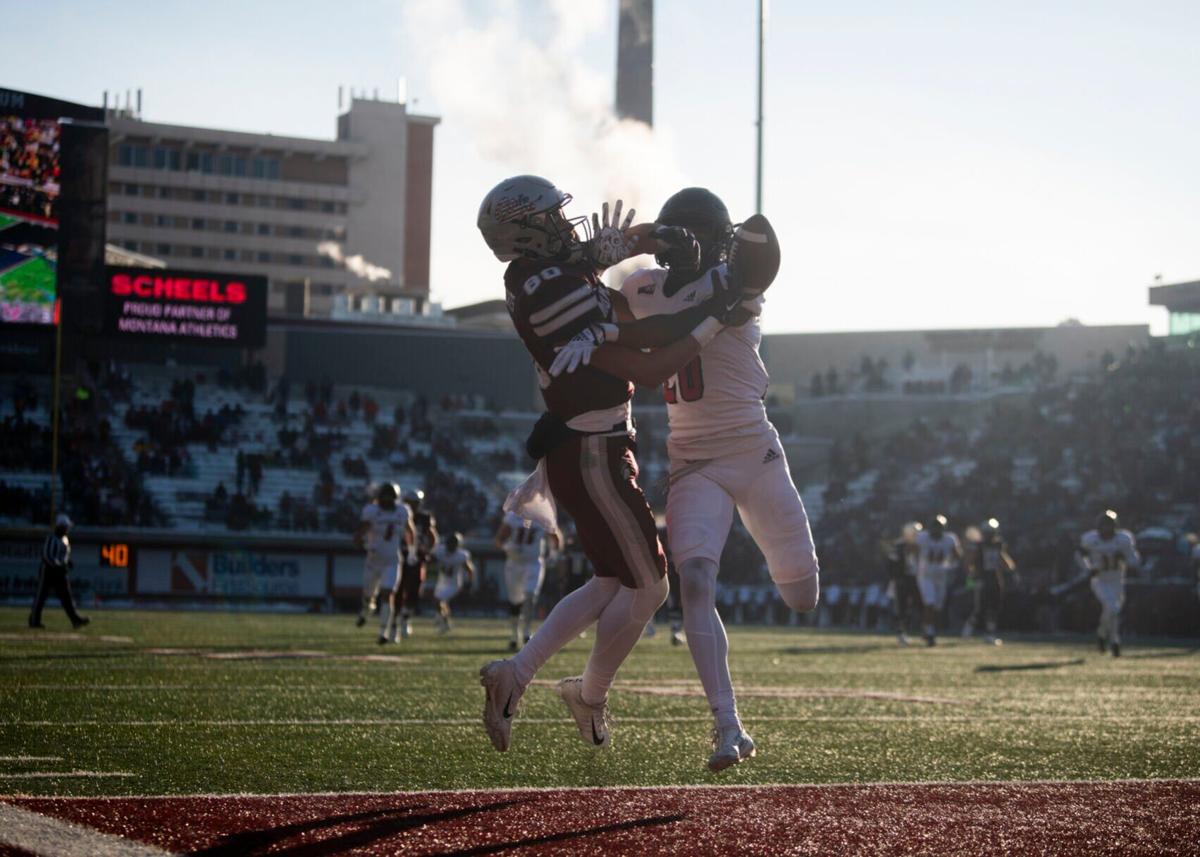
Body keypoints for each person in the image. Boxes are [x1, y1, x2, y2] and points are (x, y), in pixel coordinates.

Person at [475, 175, 746, 753]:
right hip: (592, 450)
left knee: (609, 579)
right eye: (548, 219)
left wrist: (650, 238)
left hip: (594, 444)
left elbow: (591, 258)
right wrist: (714, 313)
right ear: (525, 232)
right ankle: (585, 692)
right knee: (649, 587)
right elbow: (650, 359)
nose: (563, 225)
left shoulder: (546, 274)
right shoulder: (549, 290)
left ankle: (519, 676)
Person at [558, 186, 820, 771]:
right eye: (684, 238)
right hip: (692, 461)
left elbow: (672, 325)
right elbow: (613, 309)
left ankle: (725, 718)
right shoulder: (642, 286)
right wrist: (611, 248)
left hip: (754, 452)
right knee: (696, 580)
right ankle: (729, 727)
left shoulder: (738, 284)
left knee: (803, 595)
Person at [352, 483, 413, 644]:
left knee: (388, 594)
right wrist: (359, 541)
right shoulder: (372, 511)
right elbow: (361, 532)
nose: (387, 501)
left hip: (392, 560)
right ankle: (366, 610)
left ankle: (383, 631)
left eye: (390, 497)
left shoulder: (402, 511)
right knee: (368, 595)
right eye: (384, 497)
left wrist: (412, 550)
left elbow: (410, 530)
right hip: (374, 560)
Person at [1078, 509, 1140, 657]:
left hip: (1117, 580)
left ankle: (1101, 635)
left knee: (1113, 611)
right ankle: (1115, 642)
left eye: (1109, 525)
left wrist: (1125, 558)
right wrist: (1088, 568)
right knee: (1112, 608)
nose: (1107, 529)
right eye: (1104, 525)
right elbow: (1079, 555)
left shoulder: (1123, 539)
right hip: (1100, 580)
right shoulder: (1091, 539)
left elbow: (1135, 561)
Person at [495, 511, 558, 651]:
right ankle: (514, 635)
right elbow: (499, 539)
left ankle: (526, 632)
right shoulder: (512, 517)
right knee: (515, 602)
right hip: (514, 563)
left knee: (530, 596)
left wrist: (554, 553)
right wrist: (506, 547)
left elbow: (556, 537)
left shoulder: (543, 516)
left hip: (534, 563)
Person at [961, 518, 1018, 645]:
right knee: (980, 607)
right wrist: (971, 574)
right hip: (983, 578)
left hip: (995, 578)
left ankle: (990, 633)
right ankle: (968, 629)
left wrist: (1010, 568)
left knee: (994, 607)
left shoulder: (997, 545)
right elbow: (970, 562)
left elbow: (1005, 562)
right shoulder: (979, 546)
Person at [29, 514, 89, 630]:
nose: (67, 528)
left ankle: (75, 619)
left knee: (67, 597)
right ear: (60, 526)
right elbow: (47, 556)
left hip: (60, 573)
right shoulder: (51, 538)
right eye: (66, 526)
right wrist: (58, 565)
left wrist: (67, 562)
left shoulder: (65, 539)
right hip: (48, 571)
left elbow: (63, 556)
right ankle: (34, 620)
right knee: (41, 596)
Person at [914, 514, 962, 646]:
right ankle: (930, 632)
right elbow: (913, 551)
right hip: (925, 575)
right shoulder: (922, 537)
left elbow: (957, 556)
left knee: (937, 607)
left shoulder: (950, 539)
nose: (936, 530)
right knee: (929, 603)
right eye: (934, 527)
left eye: (938, 527)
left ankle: (928, 628)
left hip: (941, 576)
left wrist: (953, 564)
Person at [398, 489, 437, 639]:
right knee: (398, 588)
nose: (413, 506)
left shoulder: (424, 517)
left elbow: (432, 537)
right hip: (400, 554)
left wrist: (426, 551)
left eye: (415, 503)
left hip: (417, 556)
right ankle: (396, 619)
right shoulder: (399, 514)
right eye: (410, 503)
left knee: (414, 589)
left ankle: (406, 617)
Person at [887, 522, 924, 646]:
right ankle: (901, 633)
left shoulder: (922, 544)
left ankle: (925, 631)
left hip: (919, 579)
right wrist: (896, 578)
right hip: (903, 579)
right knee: (901, 608)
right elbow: (892, 564)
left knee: (921, 606)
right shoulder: (899, 546)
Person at [430, 533, 475, 633]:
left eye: (453, 544)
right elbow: (430, 558)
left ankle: (442, 621)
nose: (451, 546)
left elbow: (470, 570)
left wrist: (470, 582)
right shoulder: (440, 551)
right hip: (441, 581)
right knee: (441, 603)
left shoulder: (461, 555)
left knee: (438, 600)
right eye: (450, 543)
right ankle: (445, 622)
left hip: (454, 584)